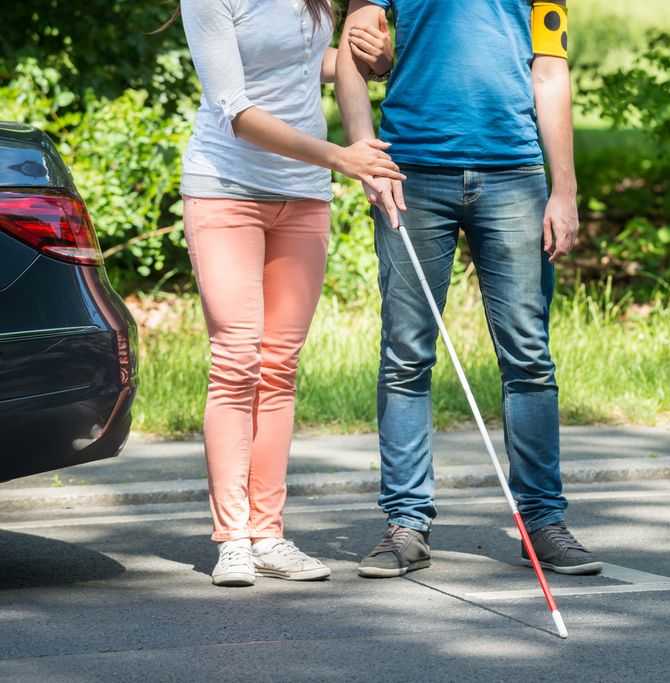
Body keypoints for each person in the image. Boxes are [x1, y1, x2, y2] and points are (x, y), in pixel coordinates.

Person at [336, 0, 602, 578]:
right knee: (405, 356)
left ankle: (543, 522)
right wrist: (364, 153)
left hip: (515, 177)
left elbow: (550, 70)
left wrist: (565, 190)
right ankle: (406, 524)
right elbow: (354, 56)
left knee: (529, 358)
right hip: (412, 173)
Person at [165, 0, 403, 587]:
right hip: (225, 189)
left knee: (278, 367)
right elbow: (237, 111)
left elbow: (312, 60)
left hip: (302, 197)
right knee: (237, 359)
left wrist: (371, 69)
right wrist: (340, 158)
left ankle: (268, 533)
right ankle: (233, 539)